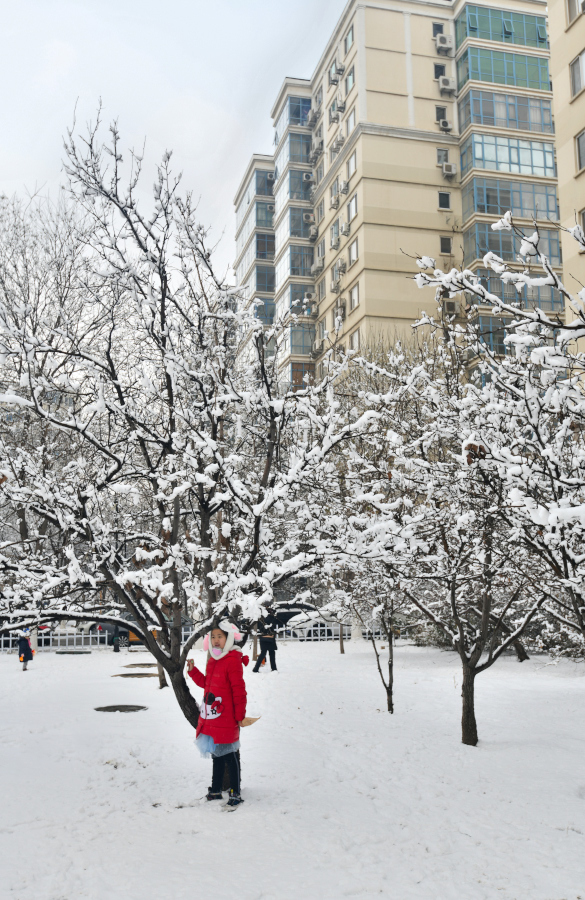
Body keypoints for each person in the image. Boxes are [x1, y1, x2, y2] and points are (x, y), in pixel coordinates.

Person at [186, 621, 248, 807]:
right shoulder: (213, 659)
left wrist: (240, 716)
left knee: (229, 755)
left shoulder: (232, 659)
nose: (216, 640)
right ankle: (215, 790)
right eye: (213, 636)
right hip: (212, 717)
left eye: (220, 636)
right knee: (216, 755)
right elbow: (208, 685)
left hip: (227, 717)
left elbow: (239, 690)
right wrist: (193, 671)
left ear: (228, 638)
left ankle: (235, 792)